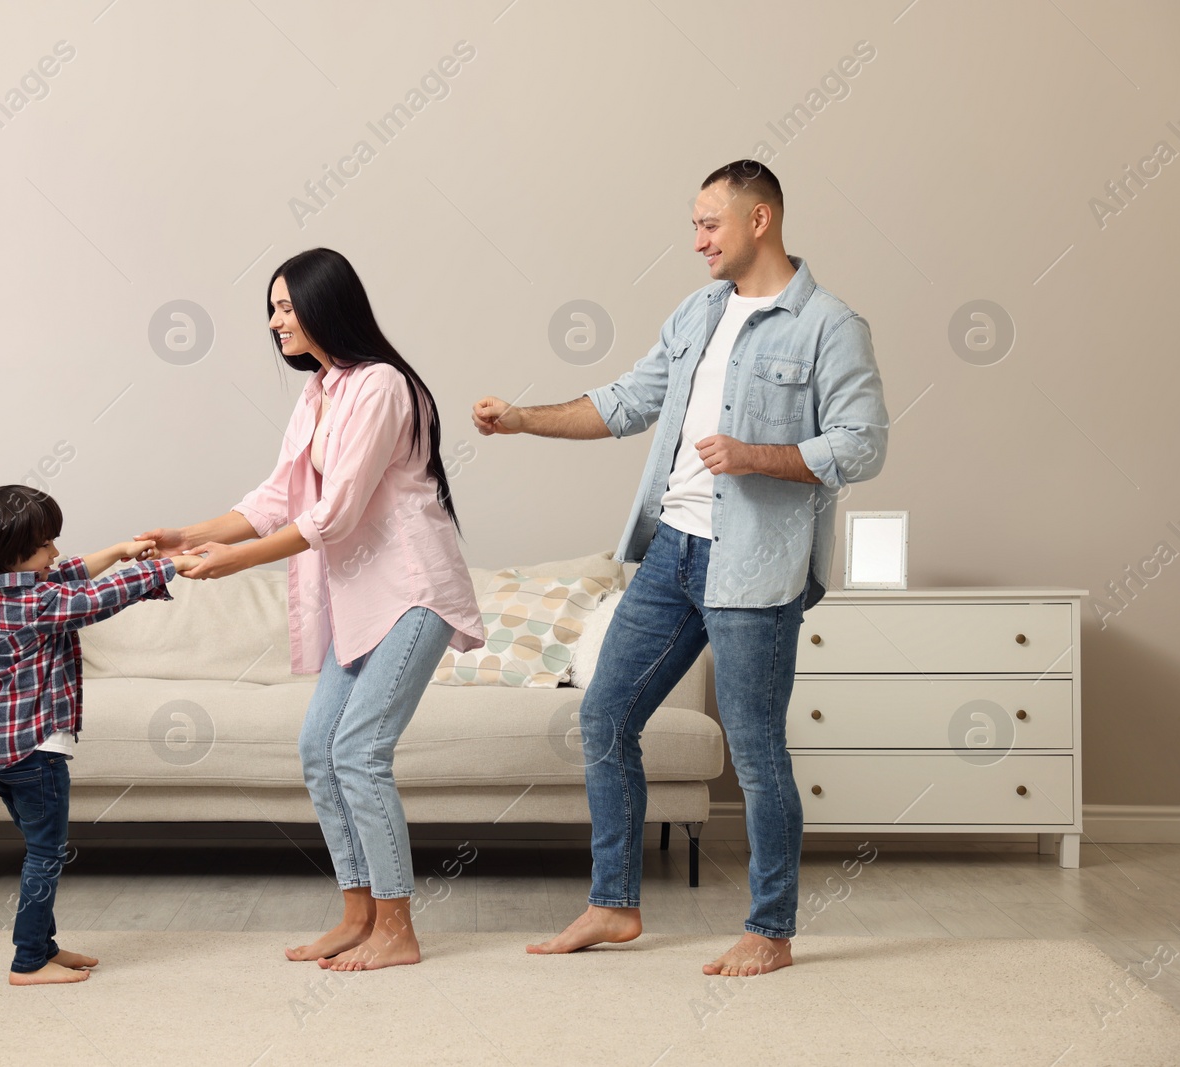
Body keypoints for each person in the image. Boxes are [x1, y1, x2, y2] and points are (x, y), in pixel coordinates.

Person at [473, 161, 889, 976]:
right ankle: (614, 904)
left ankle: (770, 929)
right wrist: (523, 418)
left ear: (759, 219)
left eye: (709, 224)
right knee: (606, 718)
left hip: (756, 566)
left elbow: (863, 443)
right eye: (695, 225)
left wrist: (757, 456)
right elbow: (626, 401)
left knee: (759, 752)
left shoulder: (830, 325)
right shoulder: (698, 312)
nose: (696, 239)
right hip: (672, 551)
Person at [139, 247, 484, 971]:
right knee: (318, 750)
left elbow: (336, 512)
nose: (274, 322)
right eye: (272, 308)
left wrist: (234, 562)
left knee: (359, 750)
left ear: (327, 305)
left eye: (286, 307)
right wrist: (193, 533)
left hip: (414, 590)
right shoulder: (323, 390)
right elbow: (277, 498)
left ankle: (398, 926)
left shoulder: (382, 385)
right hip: (359, 598)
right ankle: (359, 914)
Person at [0, 484, 202, 985]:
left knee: (38, 852)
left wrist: (117, 551)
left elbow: (69, 576)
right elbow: (93, 599)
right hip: (36, 751)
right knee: (46, 856)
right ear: (16, 557)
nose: (56, 553)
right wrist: (167, 566)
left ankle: (42, 947)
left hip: (5, 752)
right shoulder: (38, 605)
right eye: (46, 545)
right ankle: (28, 961)